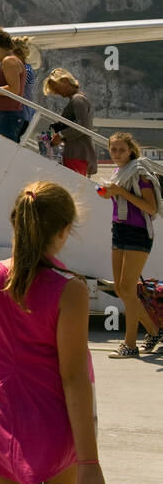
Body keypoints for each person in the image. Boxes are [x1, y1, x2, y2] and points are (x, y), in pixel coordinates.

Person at [0, 181, 104, 484]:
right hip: (55, 423)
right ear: (64, 230)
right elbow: (73, 376)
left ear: (17, 222)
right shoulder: (70, 289)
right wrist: (90, 462)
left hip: (1, 421)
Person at [99, 132, 161, 358]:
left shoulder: (139, 173)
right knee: (120, 288)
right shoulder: (119, 173)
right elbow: (121, 200)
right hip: (120, 229)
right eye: (113, 149)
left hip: (138, 232)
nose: (116, 154)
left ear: (131, 150)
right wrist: (110, 194)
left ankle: (130, 344)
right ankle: (154, 331)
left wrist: (120, 192)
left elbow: (151, 208)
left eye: (121, 150)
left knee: (127, 288)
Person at [43, 68, 97, 176]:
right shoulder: (77, 99)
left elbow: (82, 126)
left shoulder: (78, 100)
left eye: (56, 88)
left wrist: (61, 135)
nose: (56, 92)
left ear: (65, 81)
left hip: (77, 154)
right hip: (76, 153)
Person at [0, 28, 31, 143]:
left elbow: (14, 89)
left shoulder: (9, 61)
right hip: (9, 114)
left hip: (8, 115)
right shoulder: (14, 61)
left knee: (4, 150)